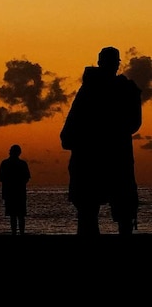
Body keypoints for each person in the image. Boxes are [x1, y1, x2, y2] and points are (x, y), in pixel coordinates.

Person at [60, 46, 142, 236]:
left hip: (101, 159)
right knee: (95, 214)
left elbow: (69, 131)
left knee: (101, 214)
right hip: (104, 158)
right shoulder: (118, 89)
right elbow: (133, 124)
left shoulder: (117, 89)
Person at [0, 144, 31, 235]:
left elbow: (1, 179)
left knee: (14, 215)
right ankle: (21, 233)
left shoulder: (5, 163)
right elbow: (27, 178)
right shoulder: (22, 164)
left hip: (11, 193)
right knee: (19, 215)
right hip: (18, 193)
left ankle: (15, 234)